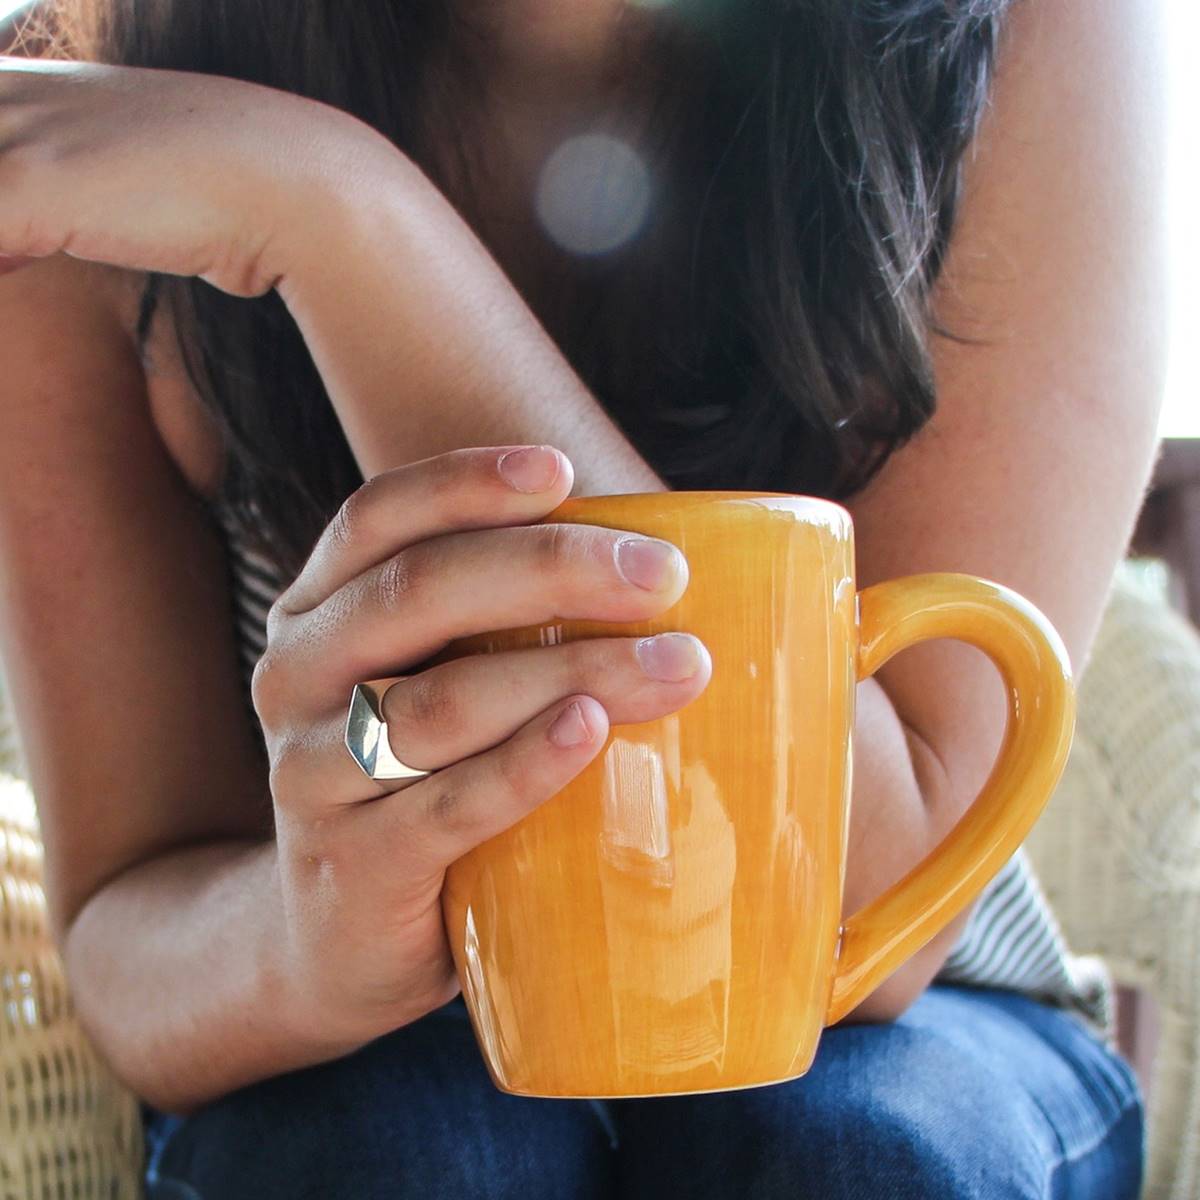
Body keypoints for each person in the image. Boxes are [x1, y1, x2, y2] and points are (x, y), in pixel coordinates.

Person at [0, 0, 1163, 1195]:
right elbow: (129, 934)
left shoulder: (1037, 30)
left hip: (923, 1034)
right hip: (352, 1047)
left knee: (858, 1154)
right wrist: (307, 948)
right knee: (380, 1161)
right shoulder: (93, 104)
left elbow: (860, 929)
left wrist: (338, 218)